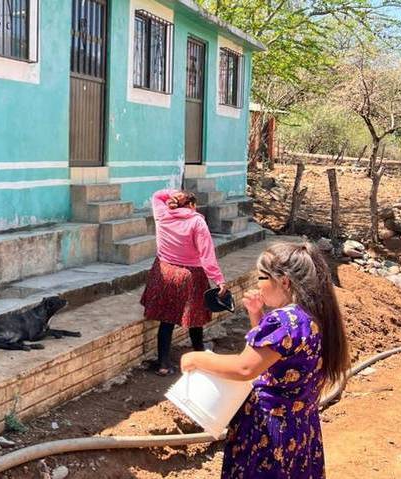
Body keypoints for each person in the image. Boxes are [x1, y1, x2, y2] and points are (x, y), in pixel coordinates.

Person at [180, 242, 350, 478]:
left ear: (284, 281)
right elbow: (276, 356)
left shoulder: (282, 320)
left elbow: (245, 368)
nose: (258, 284)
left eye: (262, 277)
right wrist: (256, 314)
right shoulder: (311, 315)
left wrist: (195, 358)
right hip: (300, 428)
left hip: (269, 432)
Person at [140, 189, 227, 376]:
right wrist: (218, 279)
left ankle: (163, 364)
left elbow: (157, 195)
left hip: (165, 271)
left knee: (167, 319)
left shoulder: (162, 214)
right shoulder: (197, 222)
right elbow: (206, 254)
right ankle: (200, 353)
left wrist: (175, 194)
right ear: (192, 205)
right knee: (196, 317)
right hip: (191, 275)